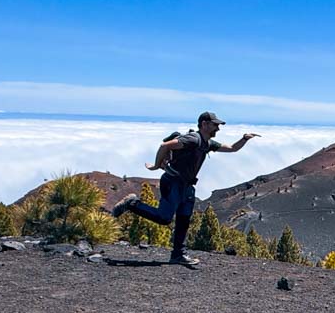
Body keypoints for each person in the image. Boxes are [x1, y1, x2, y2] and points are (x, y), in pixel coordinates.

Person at [111, 111, 260, 265]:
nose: (218, 128)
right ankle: (132, 203)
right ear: (204, 124)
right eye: (215, 125)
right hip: (173, 182)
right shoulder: (193, 139)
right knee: (164, 218)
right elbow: (165, 146)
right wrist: (156, 166)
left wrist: (244, 139)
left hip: (187, 186)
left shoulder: (207, 143)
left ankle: (178, 255)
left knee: (184, 220)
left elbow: (232, 148)